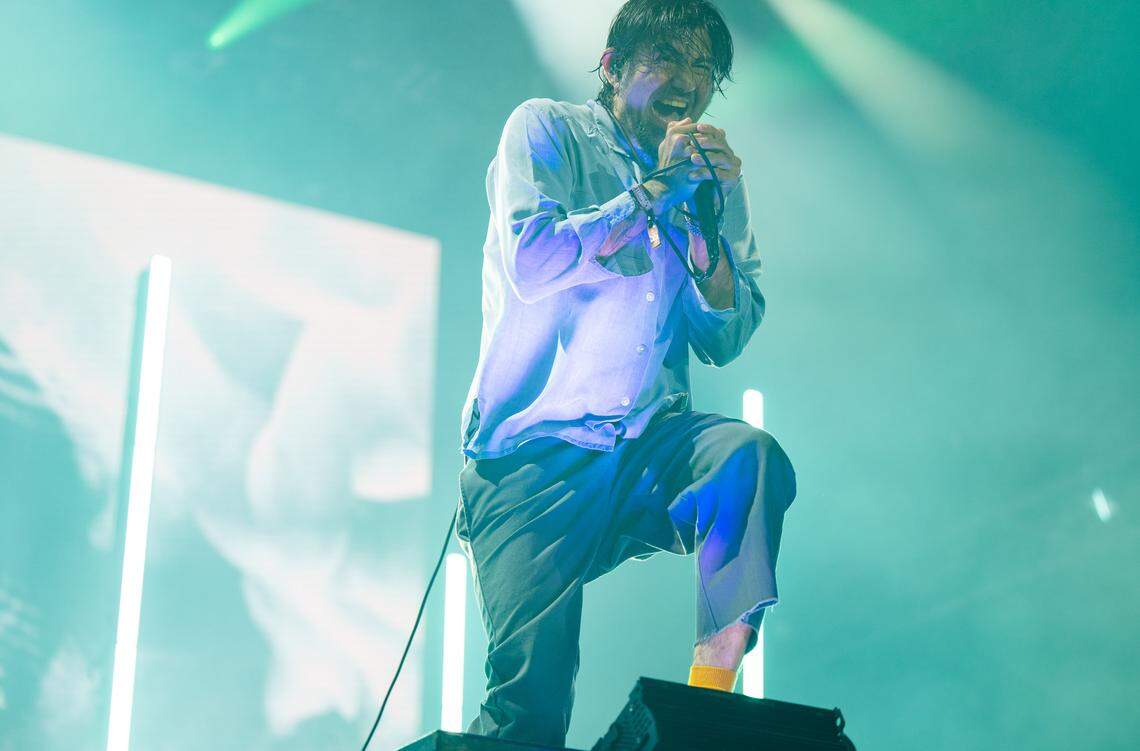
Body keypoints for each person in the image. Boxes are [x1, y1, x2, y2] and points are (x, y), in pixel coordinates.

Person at [457, 0, 797, 745]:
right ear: (613, 67)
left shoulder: (710, 180)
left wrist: (704, 225)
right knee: (529, 714)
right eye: (666, 58)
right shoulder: (547, 130)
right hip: (533, 458)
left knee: (747, 456)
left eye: (703, 68)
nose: (687, 82)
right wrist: (654, 193)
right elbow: (532, 261)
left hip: (646, 445)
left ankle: (709, 702)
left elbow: (727, 334)